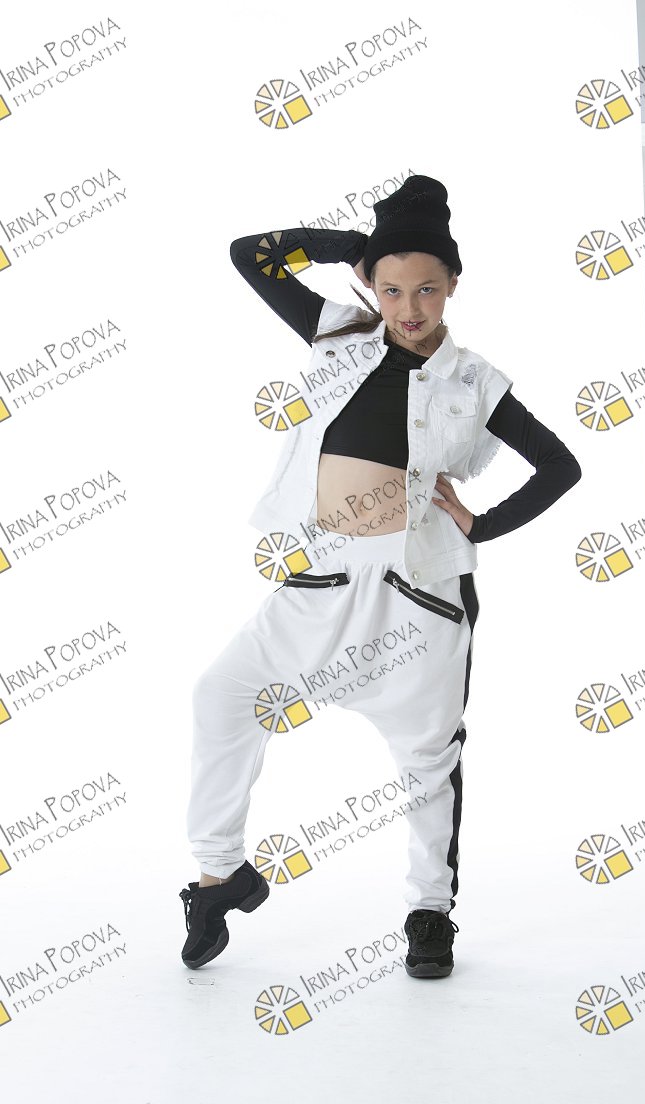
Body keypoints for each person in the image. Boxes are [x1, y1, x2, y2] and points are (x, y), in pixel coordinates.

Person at [179, 175, 582, 978]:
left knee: (427, 757)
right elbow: (250, 256)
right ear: (372, 285)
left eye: (426, 288)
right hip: (322, 577)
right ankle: (219, 878)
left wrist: (482, 524)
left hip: (418, 589)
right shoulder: (340, 333)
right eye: (392, 289)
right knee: (222, 696)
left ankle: (430, 912)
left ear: (453, 284)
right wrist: (351, 250)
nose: (409, 307)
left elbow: (560, 466)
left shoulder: (476, 380)